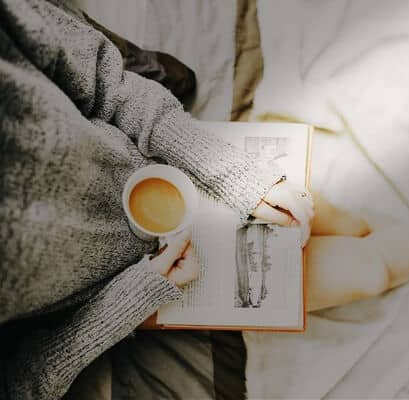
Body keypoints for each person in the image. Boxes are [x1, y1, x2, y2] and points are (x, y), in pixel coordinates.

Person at [0, 0, 311, 399]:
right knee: (354, 271)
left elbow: (101, 78)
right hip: (115, 291)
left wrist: (225, 167)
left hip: (148, 157)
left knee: (302, 204)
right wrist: (119, 309)